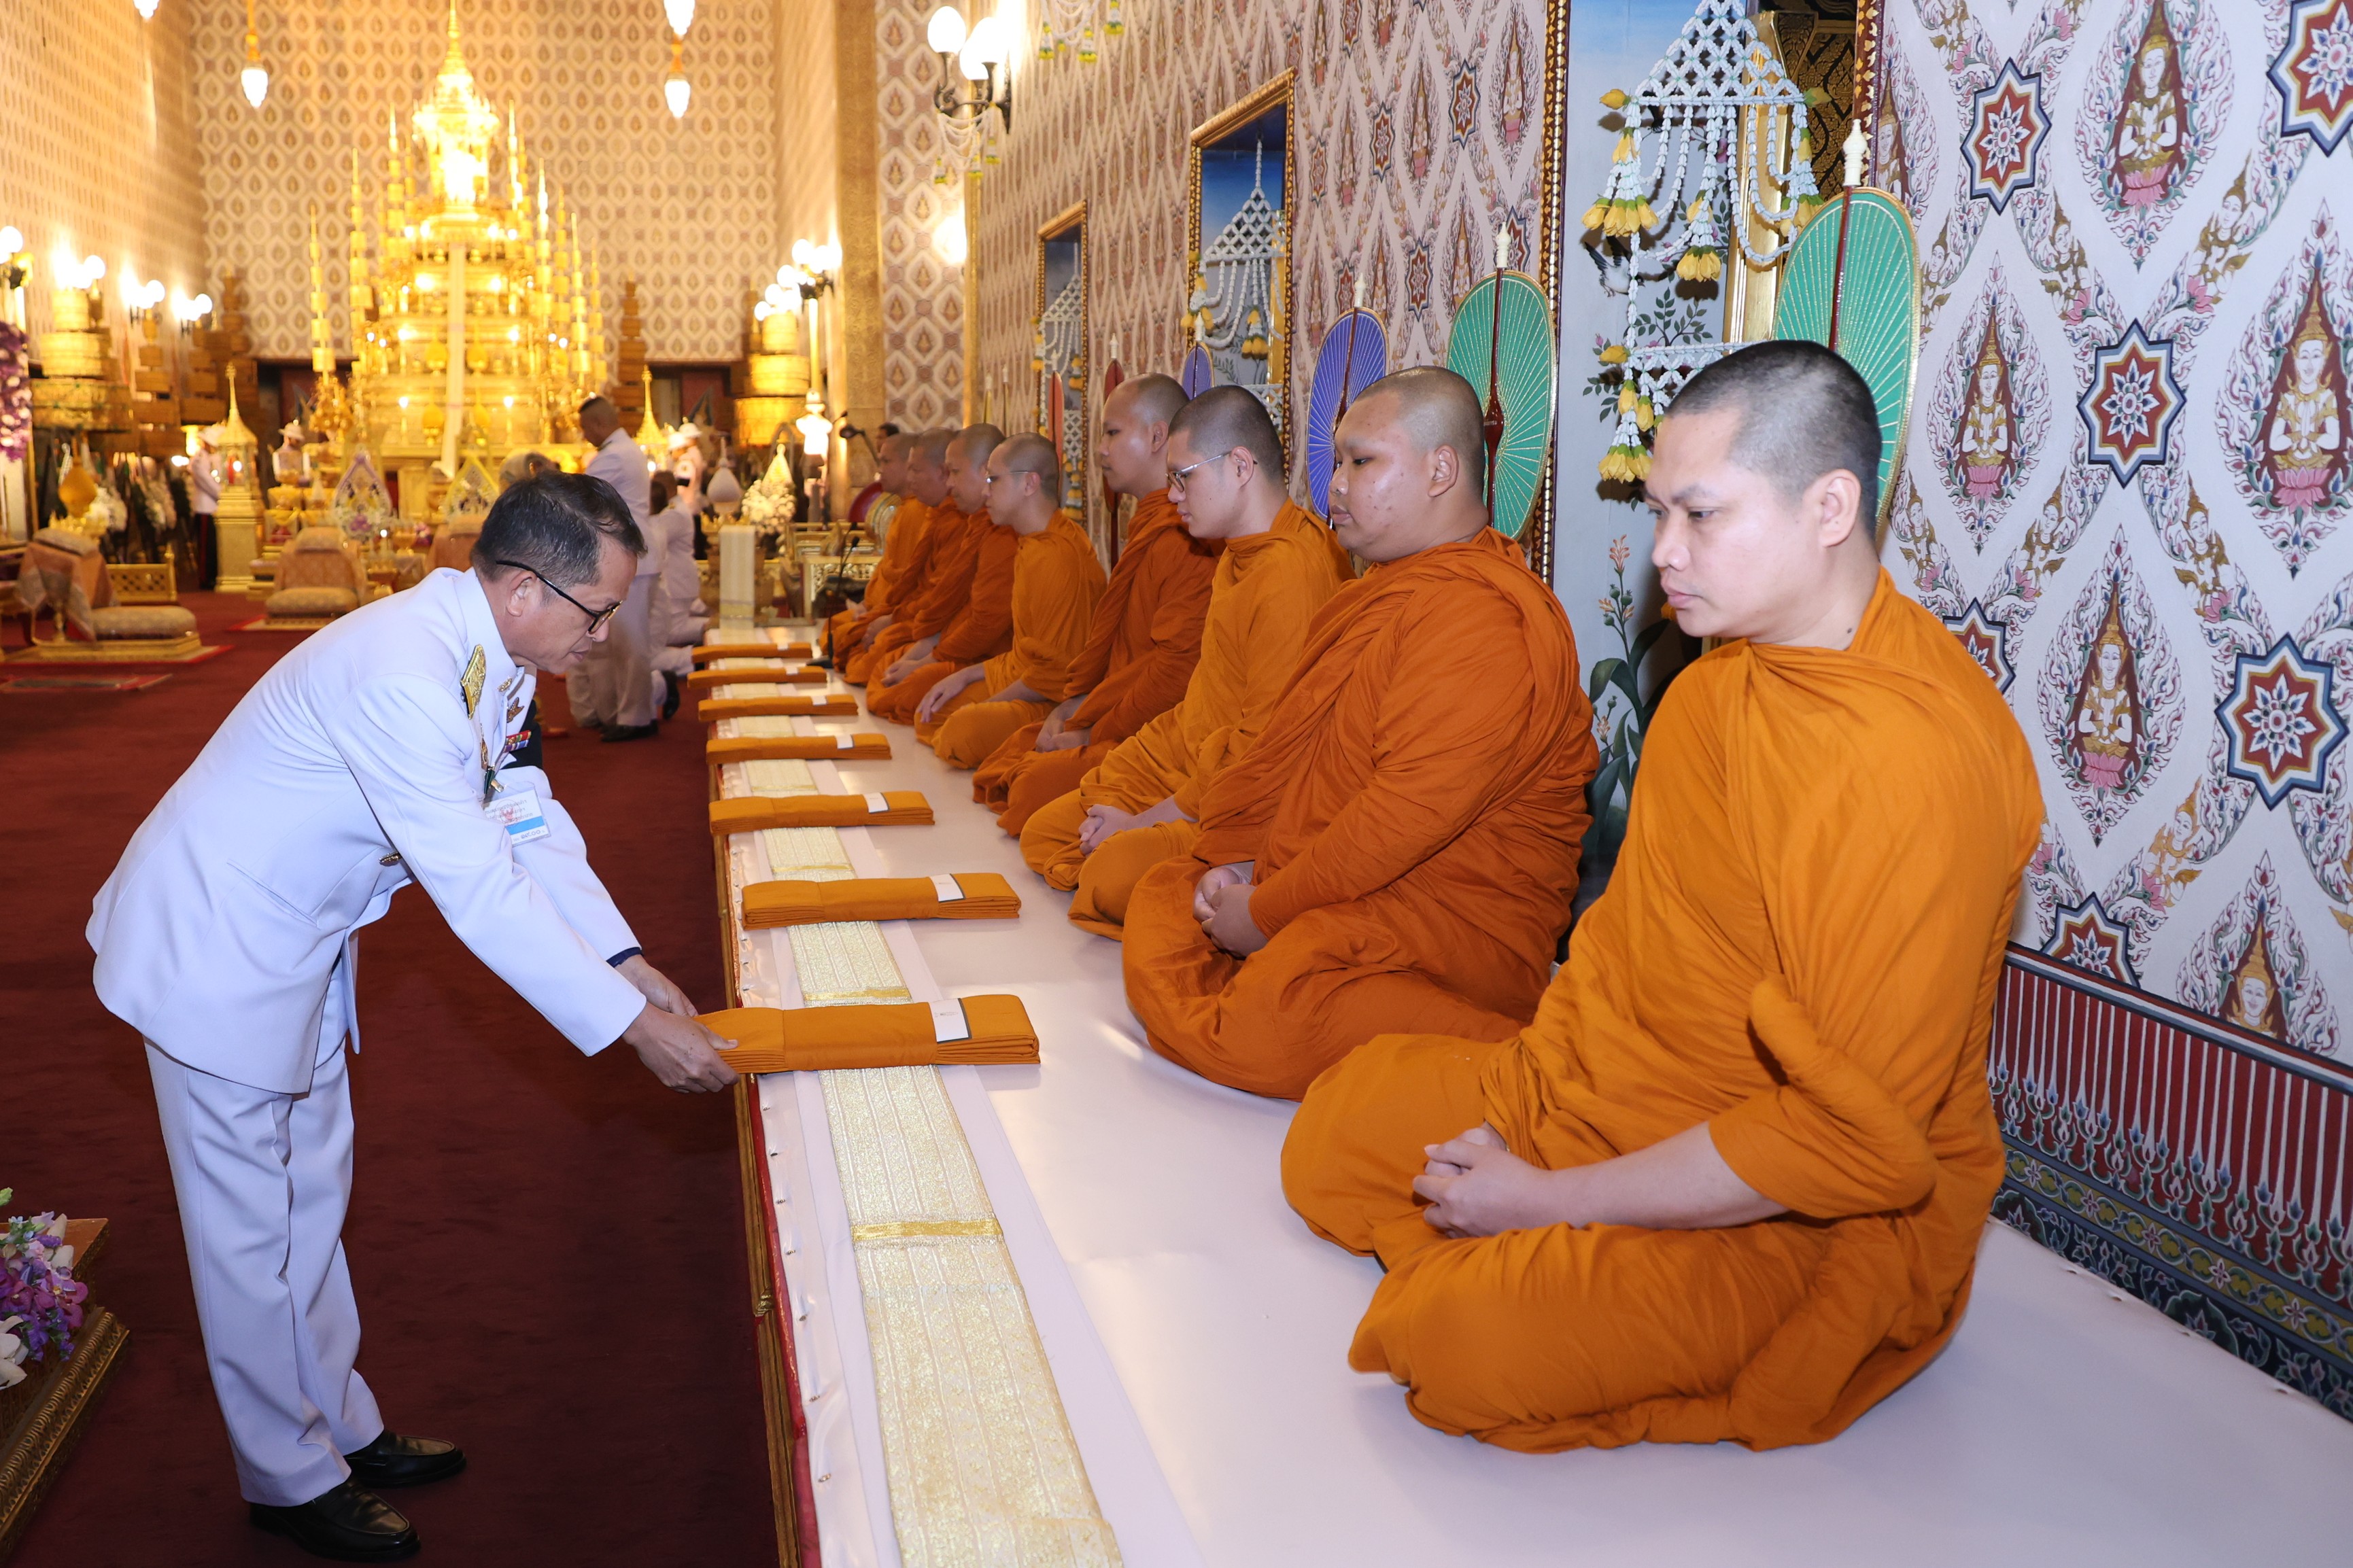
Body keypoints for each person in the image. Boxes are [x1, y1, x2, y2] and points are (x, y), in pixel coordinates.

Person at [1280, 340, 2042, 1453]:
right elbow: (1618, 956)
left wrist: (1546, 1199)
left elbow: (1847, 1144)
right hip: (1613, 1097)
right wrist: (1521, 1108)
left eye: (1701, 515)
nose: (1663, 555)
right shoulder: (1717, 684)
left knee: (1455, 1344)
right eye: (1658, 514)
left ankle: (1531, 1259)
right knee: (1333, 1127)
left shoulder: (1910, 767)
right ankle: (1525, 1235)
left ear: (1829, 506)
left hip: (1803, 1211)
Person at [88, 472, 739, 1560]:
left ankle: (336, 1423)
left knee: (312, 1197)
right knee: (251, 1230)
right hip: (216, 946)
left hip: (299, 937)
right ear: (526, 590)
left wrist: (624, 959)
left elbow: (527, 818)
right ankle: (286, 1476)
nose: (606, 633)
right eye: (598, 611)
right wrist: (632, 1030)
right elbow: (478, 887)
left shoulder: (495, 653)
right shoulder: (406, 673)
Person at [1122, 368, 1596, 1098]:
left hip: (1449, 928)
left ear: (1441, 470)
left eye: (1360, 461)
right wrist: (1251, 867)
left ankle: (1527, 1064)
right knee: (1164, 895)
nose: (1332, 486)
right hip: (1345, 891)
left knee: (1274, 1008)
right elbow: (1308, 773)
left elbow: (1401, 817)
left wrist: (1270, 909)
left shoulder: (1484, 618)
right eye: (1336, 461)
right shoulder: (1371, 599)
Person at [1018, 386, 1350, 937]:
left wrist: (1147, 819)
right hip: (1188, 761)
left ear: (1240, 466)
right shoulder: (1233, 555)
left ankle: (1196, 889)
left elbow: (1261, 752)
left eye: (1183, 476)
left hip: (1237, 802)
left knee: (1108, 874)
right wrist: (1126, 777)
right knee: (1044, 829)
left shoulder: (1290, 575)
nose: (1171, 495)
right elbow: (1203, 699)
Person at [972, 375, 1216, 833]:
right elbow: (1119, 651)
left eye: (1111, 433)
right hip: (1114, 710)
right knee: (1007, 761)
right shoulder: (1152, 523)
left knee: (1026, 786)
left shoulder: (1186, 537)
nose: (1099, 449)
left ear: (1156, 436)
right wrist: (1076, 708)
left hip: (1155, 729)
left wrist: (1090, 728)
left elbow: (1172, 671)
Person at [916, 434, 1109, 760]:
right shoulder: (1032, 544)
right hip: (1024, 676)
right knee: (934, 711)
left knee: (961, 731)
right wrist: (966, 675)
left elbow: (1054, 672)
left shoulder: (1056, 555)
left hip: (1054, 698)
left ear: (1030, 484)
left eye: (993, 480)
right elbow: (1026, 654)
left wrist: (989, 705)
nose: (985, 491)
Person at [869, 424, 1014, 723]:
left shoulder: (1004, 536)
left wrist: (933, 657)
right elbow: (949, 598)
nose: (948, 484)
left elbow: (985, 622)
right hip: (961, 647)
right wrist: (925, 649)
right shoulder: (975, 525)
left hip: (997, 661)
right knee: (886, 670)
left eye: (954, 472)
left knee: (913, 701)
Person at [566, 396, 659, 741]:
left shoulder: (615, 456)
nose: (585, 435)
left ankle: (636, 718)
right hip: (631, 556)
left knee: (631, 645)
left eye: (586, 428)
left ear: (601, 424)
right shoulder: (623, 450)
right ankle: (621, 713)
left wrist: (548, 478)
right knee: (620, 645)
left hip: (633, 557)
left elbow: (580, 497)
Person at [843, 430, 961, 682]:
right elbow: (914, 582)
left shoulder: (956, 522)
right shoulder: (932, 514)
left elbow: (941, 597)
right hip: (916, 618)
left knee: (872, 664)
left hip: (939, 629)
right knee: (849, 640)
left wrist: (891, 618)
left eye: (915, 470)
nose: (910, 479)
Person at [825, 430, 917, 657]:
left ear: (910, 465)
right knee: (835, 628)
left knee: (856, 647)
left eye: (886, 461)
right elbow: (889, 569)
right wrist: (866, 606)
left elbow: (909, 583)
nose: (879, 470)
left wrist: (879, 615)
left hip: (900, 616)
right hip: (880, 610)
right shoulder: (904, 510)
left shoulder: (919, 514)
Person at [642, 470, 708, 720]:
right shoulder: (670, 513)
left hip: (675, 583)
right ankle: (704, 644)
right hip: (674, 582)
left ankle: (699, 655)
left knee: (664, 638)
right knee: (666, 635)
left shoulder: (671, 516)